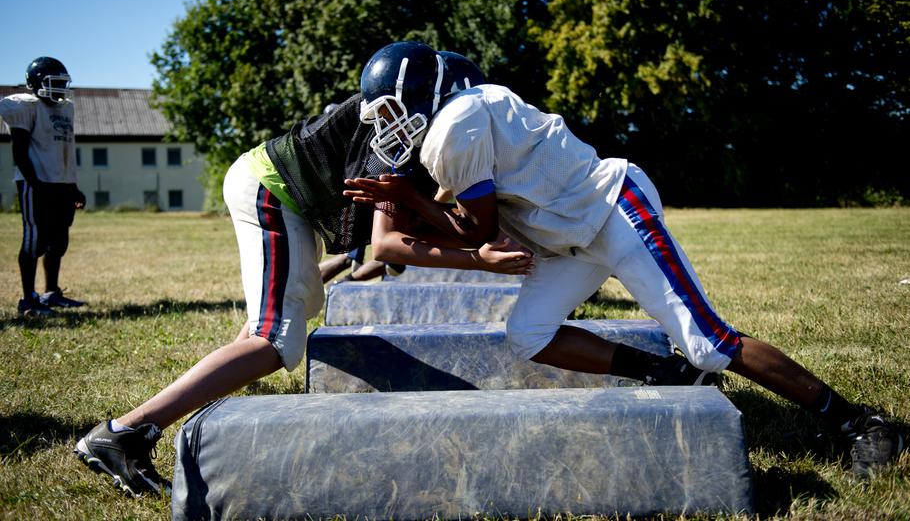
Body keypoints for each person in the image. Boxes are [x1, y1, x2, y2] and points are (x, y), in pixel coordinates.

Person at [344, 41, 904, 478]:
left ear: (425, 89)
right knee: (528, 333)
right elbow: (463, 228)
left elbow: (479, 231)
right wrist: (413, 203)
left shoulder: (455, 125)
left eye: (393, 110)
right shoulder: (463, 115)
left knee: (709, 341)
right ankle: (668, 372)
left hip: (612, 210)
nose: (390, 127)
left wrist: (413, 201)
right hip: (570, 235)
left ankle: (858, 420)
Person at [73, 91, 535, 497]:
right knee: (276, 339)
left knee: (290, 313)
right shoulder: (398, 133)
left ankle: (216, 388)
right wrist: (479, 255)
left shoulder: (411, 120)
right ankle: (124, 432)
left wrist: (477, 237)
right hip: (272, 191)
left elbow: (417, 224)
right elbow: (389, 242)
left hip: (282, 192)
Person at [0, 57, 86, 316]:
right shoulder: (24, 106)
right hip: (36, 185)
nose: (60, 88)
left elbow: (66, 152)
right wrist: (36, 184)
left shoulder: (65, 109)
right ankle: (28, 298)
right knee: (33, 241)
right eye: (55, 83)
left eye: (62, 83)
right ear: (36, 83)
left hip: (61, 184)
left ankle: (51, 293)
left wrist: (73, 187)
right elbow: (20, 152)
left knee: (58, 242)